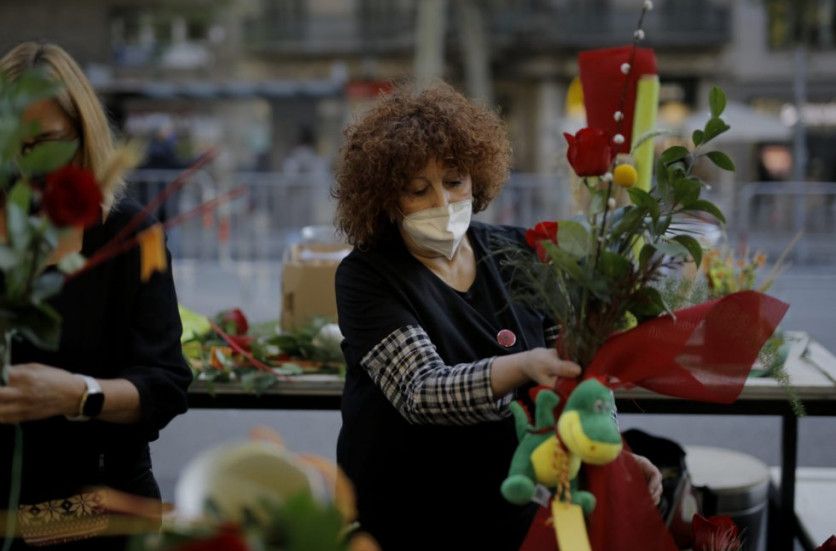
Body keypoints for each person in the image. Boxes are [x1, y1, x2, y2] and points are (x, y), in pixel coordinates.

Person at [332, 83, 662, 550]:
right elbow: (420, 392)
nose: (442, 204)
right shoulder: (366, 276)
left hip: (511, 505)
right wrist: (523, 366)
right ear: (386, 199)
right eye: (418, 190)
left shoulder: (522, 252)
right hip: (405, 512)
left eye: (454, 182)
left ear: (476, 178)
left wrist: (611, 451)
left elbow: (577, 372)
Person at [0, 42, 191, 549]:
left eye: (47, 143)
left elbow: (166, 384)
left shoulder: (134, 236)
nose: (29, 166)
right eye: (14, 146)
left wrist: (78, 394)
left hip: (95, 506)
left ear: (84, 135)